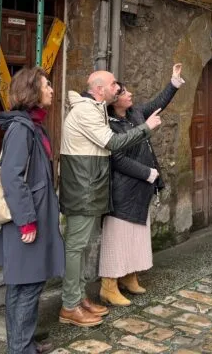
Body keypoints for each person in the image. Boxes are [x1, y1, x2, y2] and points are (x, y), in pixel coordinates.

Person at [59, 71, 162, 326]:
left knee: (81, 248)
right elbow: (113, 143)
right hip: (82, 189)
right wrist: (146, 129)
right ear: (99, 89)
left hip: (91, 188)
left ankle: (79, 298)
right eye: (114, 83)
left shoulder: (96, 109)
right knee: (75, 247)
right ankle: (70, 305)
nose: (118, 87)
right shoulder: (85, 111)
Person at [0, 67, 64, 354]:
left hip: (33, 216)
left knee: (25, 286)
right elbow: (12, 177)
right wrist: (27, 222)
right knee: (26, 287)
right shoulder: (21, 129)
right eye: (47, 86)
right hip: (26, 220)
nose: (52, 90)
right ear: (32, 92)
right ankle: (20, 349)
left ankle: (22, 344)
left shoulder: (32, 125)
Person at [98, 64, 185, 306]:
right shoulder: (110, 124)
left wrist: (174, 81)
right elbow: (117, 159)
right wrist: (148, 172)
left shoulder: (136, 114)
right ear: (115, 101)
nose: (130, 95)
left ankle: (129, 276)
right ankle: (108, 285)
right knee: (118, 237)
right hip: (123, 189)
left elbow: (159, 102)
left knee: (135, 235)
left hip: (140, 189)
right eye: (124, 93)